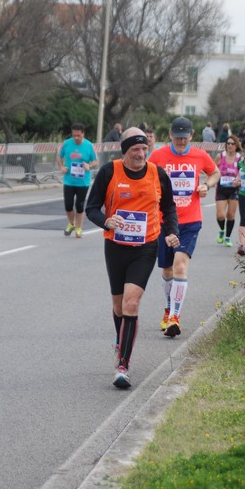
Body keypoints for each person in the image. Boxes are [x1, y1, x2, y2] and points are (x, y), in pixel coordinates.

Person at [86, 127, 179, 389]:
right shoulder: (109, 172)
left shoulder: (157, 174)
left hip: (146, 246)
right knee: (118, 306)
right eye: (135, 150)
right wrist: (106, 221)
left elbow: (169, 206)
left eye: (144, 149)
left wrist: (172, 231)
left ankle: (123, 365)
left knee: (131, 303)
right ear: (124, 151)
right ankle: (121, 341)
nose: (141, 154)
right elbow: (91, 208)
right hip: (115, 246)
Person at [149, 117, 220, 337]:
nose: (181, 141)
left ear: (192, 135)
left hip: (190, 221)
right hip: (164, 221)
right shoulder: (158, 156)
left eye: (185, 137)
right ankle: (169, 308)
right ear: (170, 135)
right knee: (168, 269)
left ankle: (175, 318)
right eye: (177, 137)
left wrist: (206, 185)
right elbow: (146, 175)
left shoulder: (200, 155)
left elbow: (215, 172)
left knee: (180, 265)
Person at [57, 123, 98, 238]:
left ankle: (79, 228)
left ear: (83, 134)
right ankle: (71, 224)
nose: (76, 138)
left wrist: (89, 166)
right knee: (68, 205)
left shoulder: (89, 146)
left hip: (83, 182)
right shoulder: (66, 144)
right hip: (69, 180)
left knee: (79, 206)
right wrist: (61, 167)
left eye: (78, 135)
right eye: (74, 135)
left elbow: (96, 162)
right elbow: (59, 156)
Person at [214, 135, 242, 247]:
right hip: (221, 189)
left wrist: (238, 181)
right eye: (228, 143)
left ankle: (227, 237)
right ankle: (222, 230)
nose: (230, 146)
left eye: (232, 144)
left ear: (236, 146)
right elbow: (212, 169)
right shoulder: (220, 156)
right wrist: (210, 181)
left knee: (230, 215)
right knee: (220, 216)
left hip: (234, 190)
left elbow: (242, 174)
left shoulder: (240, 158)